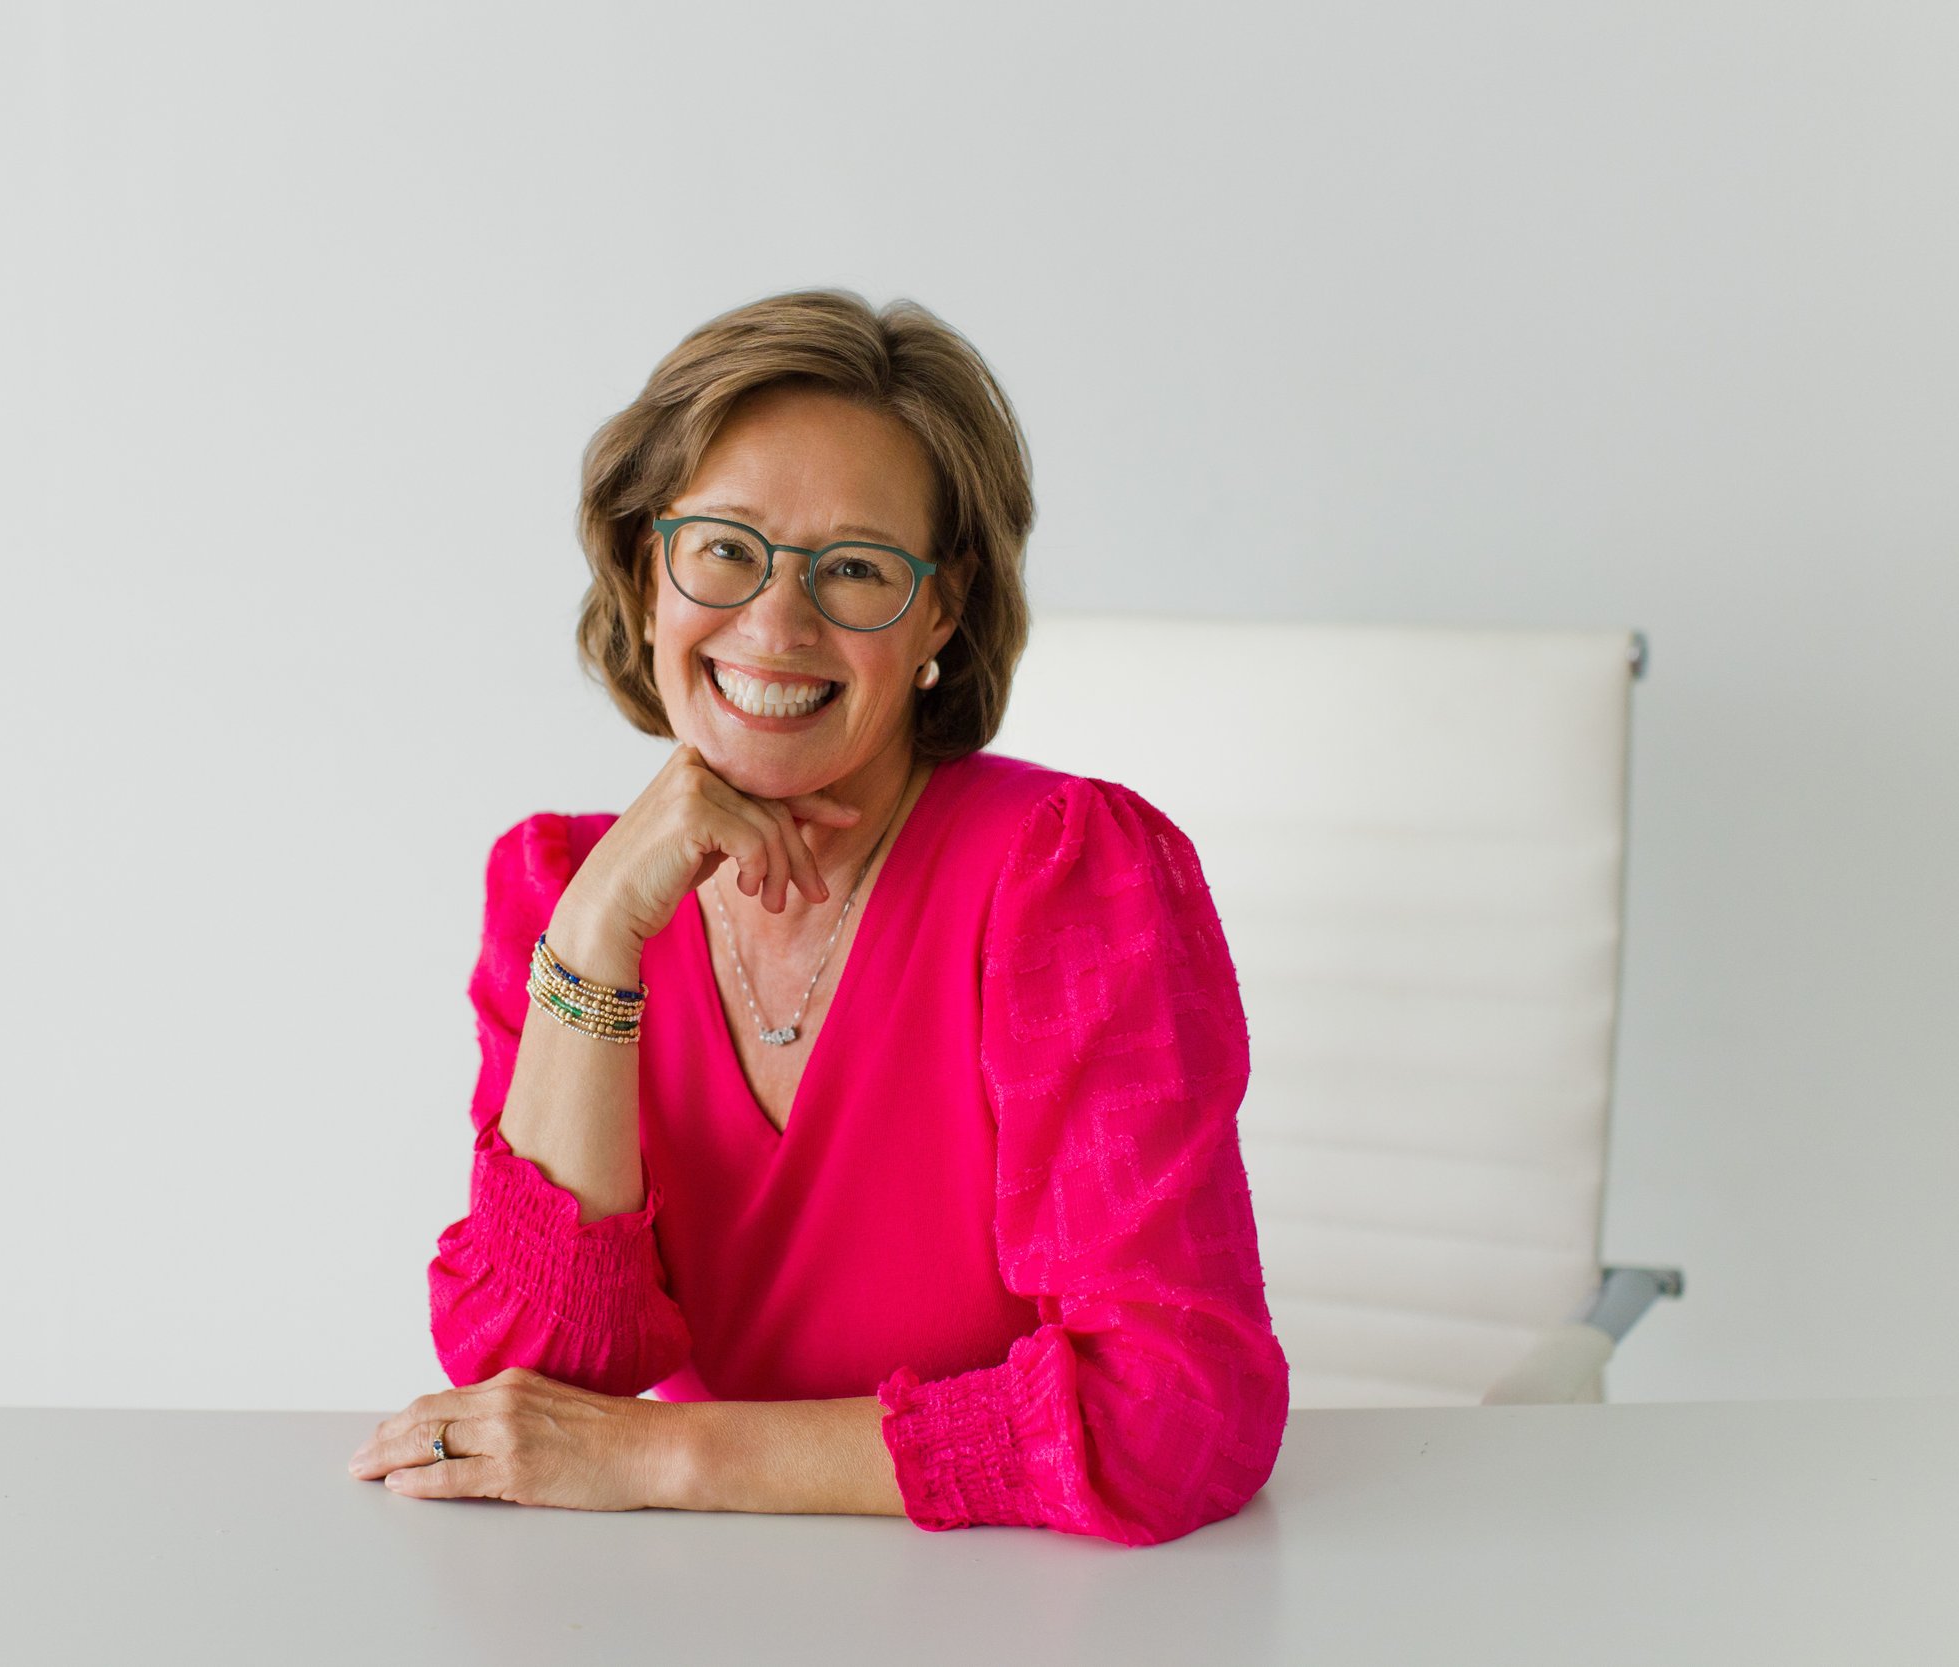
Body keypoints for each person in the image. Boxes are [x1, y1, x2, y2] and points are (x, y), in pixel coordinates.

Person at [348, 289, 1289, 1546]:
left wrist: (670, 1455)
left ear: (941, 612)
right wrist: (593, 943)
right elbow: (535, 1368)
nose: (777, 625)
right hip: (690, 1604)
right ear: (645, 572)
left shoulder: (1069, 874)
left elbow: (1175, 1415)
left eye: (853, 568)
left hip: (1012, 1609)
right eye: (724, 548)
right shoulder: (563, 890)